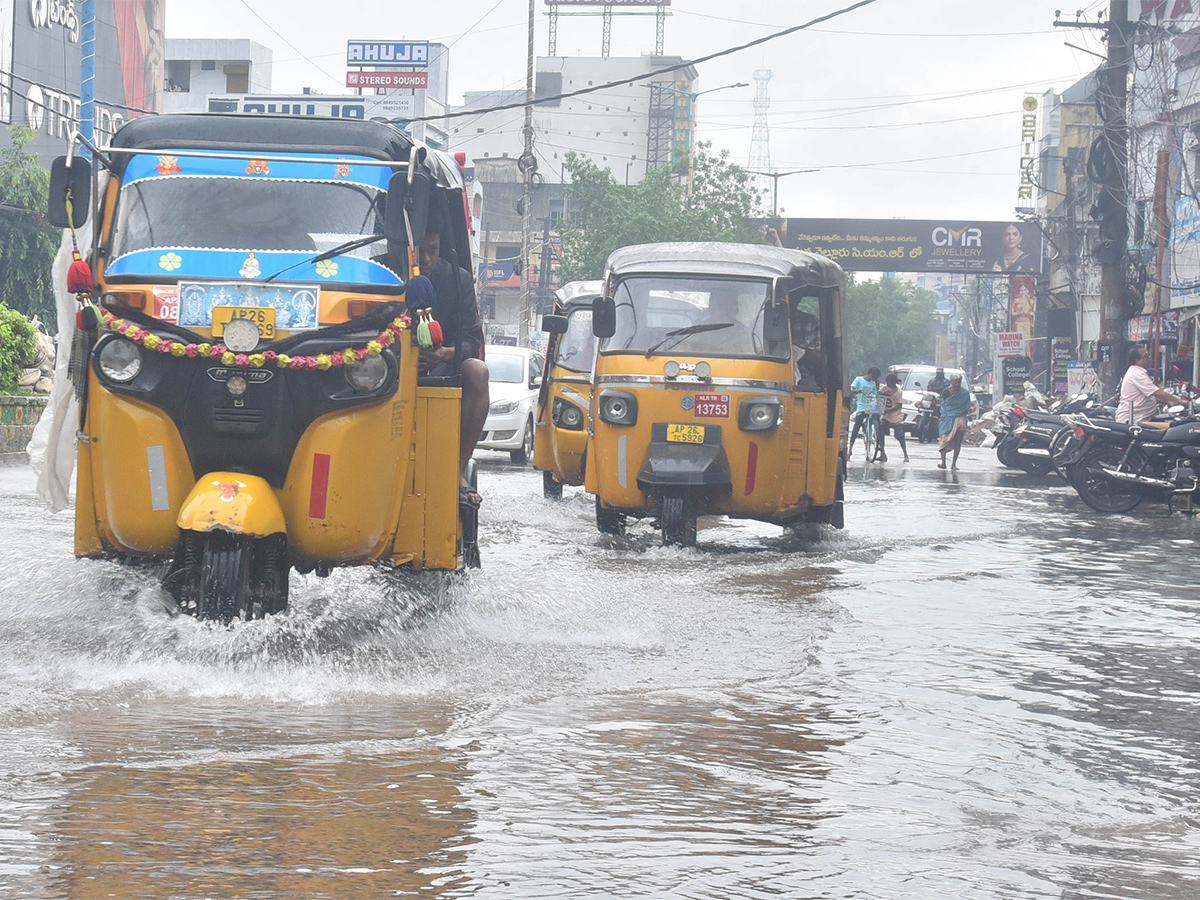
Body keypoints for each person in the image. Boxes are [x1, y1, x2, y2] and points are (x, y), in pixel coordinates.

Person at [414, 221, 490, 508]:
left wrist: (445, 353)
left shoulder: (458, 279)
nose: (426, 260)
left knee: (477, 371)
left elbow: (471, 340)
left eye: (432, 251)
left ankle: (458, 469)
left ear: (440, 248)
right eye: (419, 252)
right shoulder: (385, 273)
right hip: (389, 372)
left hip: (442, 368)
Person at [1117, 345, 1184, 425]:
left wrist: (1167, 401)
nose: (1149, 358)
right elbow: (1156, 392)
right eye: (1146, 356)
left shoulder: (1138, 372)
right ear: (1137, 360)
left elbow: (1147, 397)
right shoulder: (1137, 374)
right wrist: (1180, 401)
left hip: (1141, 419)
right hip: (1133, 421)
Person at [937, 374, 971, 470]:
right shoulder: (946, 392)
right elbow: (943, 403)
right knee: (944, 439)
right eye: (955, 382)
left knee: (958, 441)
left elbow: (967, 406)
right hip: (947, 418)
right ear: (951, 382)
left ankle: (954, 464)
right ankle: (943, 462)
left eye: (959, 382)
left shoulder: (964, 393)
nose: (957, 384)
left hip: (960, 417)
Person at [847, 366, 880, 457]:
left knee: (877, 421)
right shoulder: (859, 379)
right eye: (873, 377)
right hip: (861, 406)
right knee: (856, 427)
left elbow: (875, 394)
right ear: (869, 374)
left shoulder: (873, 384)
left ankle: (879, 445)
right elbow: (852, 388)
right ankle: (850, 449)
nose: (874, 379)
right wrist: (857, 391)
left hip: (871, 406)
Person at [790, 302, 825, 388]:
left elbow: (821, 359)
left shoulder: (810, 321)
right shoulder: (760, 319)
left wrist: (802, 349)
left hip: (803, 376)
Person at [878, 372, 909, 463]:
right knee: (880, 433)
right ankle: (882, 453)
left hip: (895, 416)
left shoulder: (898, 392)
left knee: (900, 436)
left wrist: (888, 410)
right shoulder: (884, 388)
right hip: (885, 416)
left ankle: (905, 454)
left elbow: (899, 405)